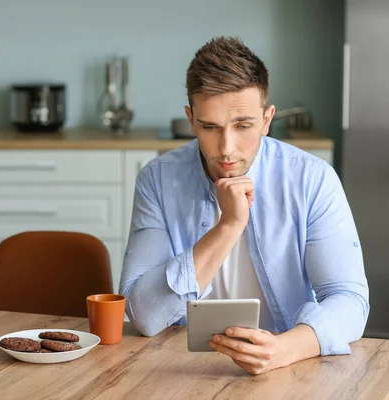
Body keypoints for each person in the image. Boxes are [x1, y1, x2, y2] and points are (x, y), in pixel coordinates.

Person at [119, 36, 369, 375]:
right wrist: (228, 226)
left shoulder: (313, 179)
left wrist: (285, 349)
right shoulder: (157, 180)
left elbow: (349, 300)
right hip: (177, 369)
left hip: (288, 364)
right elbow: (144, 316)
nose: (226, 148)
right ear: (191, 120)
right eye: (209, 127)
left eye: (243, 126)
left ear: (267, 120)